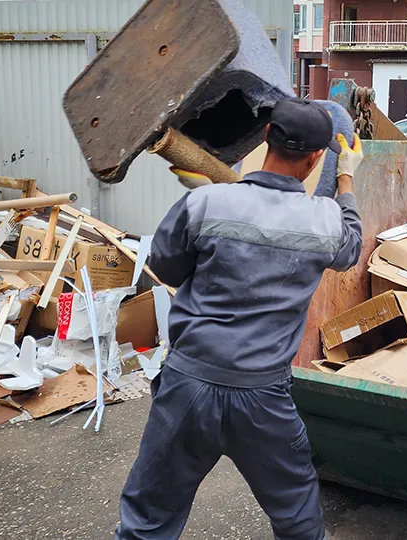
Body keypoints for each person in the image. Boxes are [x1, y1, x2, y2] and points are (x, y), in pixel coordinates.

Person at [115, 98, 364, 540]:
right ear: (314, 159)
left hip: (188, 387)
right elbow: (350, 251)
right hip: (262, 397)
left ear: (266, 136)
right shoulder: (324, 221)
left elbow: (167, 269)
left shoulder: (205, 202)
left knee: (148, 517)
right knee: (297, 517)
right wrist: (346, 179)